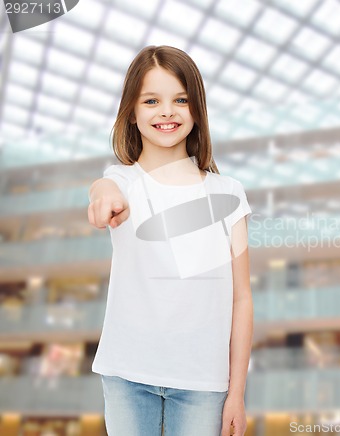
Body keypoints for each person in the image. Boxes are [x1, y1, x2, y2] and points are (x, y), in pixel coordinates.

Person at [87, 45, 253, 436]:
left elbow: (242, 298)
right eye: (151, 100)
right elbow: (103, 188)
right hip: (126, 374)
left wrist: (237, 393)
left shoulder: (228, 193)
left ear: (197, 109)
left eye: (181, 99)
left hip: (204, 382)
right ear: (132, 111)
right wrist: (102, 196)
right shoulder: (121, 182)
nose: (167, 111)